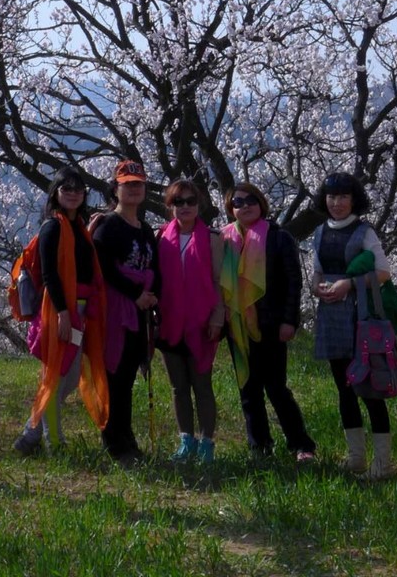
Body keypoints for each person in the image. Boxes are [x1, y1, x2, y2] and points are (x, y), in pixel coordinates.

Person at [13, 165, 108, 455]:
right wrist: (63, 313)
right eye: (66, 188)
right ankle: (55, 443)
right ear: (55, 193)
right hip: (60, 311)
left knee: (70, 375)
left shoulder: (78, 228)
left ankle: (30, 436)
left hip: (79, 311)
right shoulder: (52, 227)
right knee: (55, 378)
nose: (73, 193)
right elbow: (51, 275)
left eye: (79, 189)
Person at [220, 181, 316, 462]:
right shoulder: (225, 240)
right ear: (230, 209)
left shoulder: (278, 237)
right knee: (248, 389)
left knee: (276, 388)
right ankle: (259, 446)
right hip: (237, 325)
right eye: (238, 202)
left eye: (251, 200)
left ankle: (301, 444)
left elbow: (293, 282)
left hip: (272, 324)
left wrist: (290, 321)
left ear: (261, 203)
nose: (245, 206)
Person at [311, 170, 395, 479]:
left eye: (343, 196)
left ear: (353, 199)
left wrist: (349, 284)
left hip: (360, 316)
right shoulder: (320, 232)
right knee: (343, 388)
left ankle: (383, 463)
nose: (337, 203)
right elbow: (317, 271)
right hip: (332, 317)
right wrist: (317, 287)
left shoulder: (364, 232)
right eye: (332, 196)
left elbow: (383, 273)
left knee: (370, 388)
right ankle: (356, 457)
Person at [92, 159, 160, 463]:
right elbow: (104, 268)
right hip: (116, 312)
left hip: (140, 312)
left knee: (129, 375)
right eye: (127, 184)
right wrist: (136, 294)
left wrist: (151, 297)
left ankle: (127, 437)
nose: (133, 189)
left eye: (138, 184)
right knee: (115, 375)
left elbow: (154, 267)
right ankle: (114, 442)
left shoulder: (145, 229)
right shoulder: (108, 226)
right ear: (115, 189)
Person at [156, 179, 225, 463]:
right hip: (169, 321)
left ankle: (207, 442)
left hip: (201, 322)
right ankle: (186, 440)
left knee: (202, 385)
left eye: (190, 201)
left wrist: (217, 318)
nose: (185, 207)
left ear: (199, 205)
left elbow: (219, 281)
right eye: (178, 202)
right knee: (178, 387)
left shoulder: (213, 238)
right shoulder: (160, 237)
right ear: (170, 206)